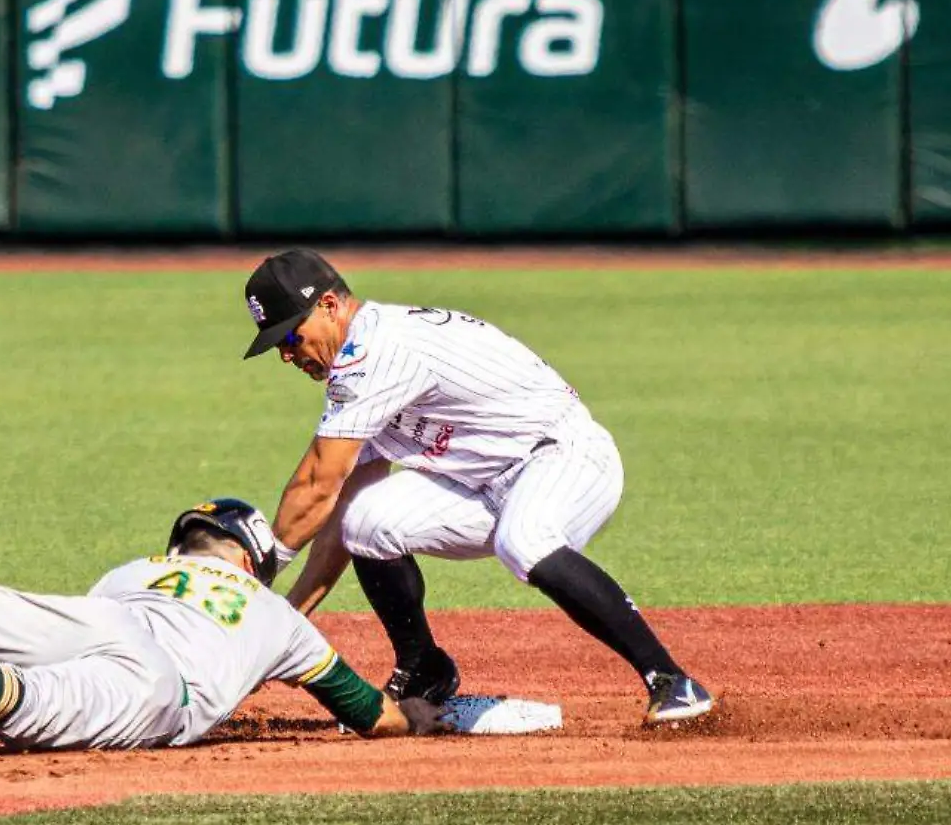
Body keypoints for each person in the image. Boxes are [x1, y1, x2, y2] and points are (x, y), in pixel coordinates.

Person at [0, 410, 447, 762]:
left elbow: (90, 636)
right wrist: (414, 714)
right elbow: (362, 711)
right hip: (165, 687)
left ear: (184, 543)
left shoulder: (137, 571)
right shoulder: (278, 617)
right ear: (254, 557)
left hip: (101, 617)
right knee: (38, 706)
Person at [241, 248, 714, 727]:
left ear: (328, 305)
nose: (286, 353)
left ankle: (670, 678)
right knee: (366, 520)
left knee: (525, 542)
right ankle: (424, 666)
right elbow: (339, 506)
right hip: (483, 485)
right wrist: (285, 620)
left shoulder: (380, 350)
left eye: (290, 336)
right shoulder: (356, 363)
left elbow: (315, 482)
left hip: (563, 457)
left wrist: (260, 572)